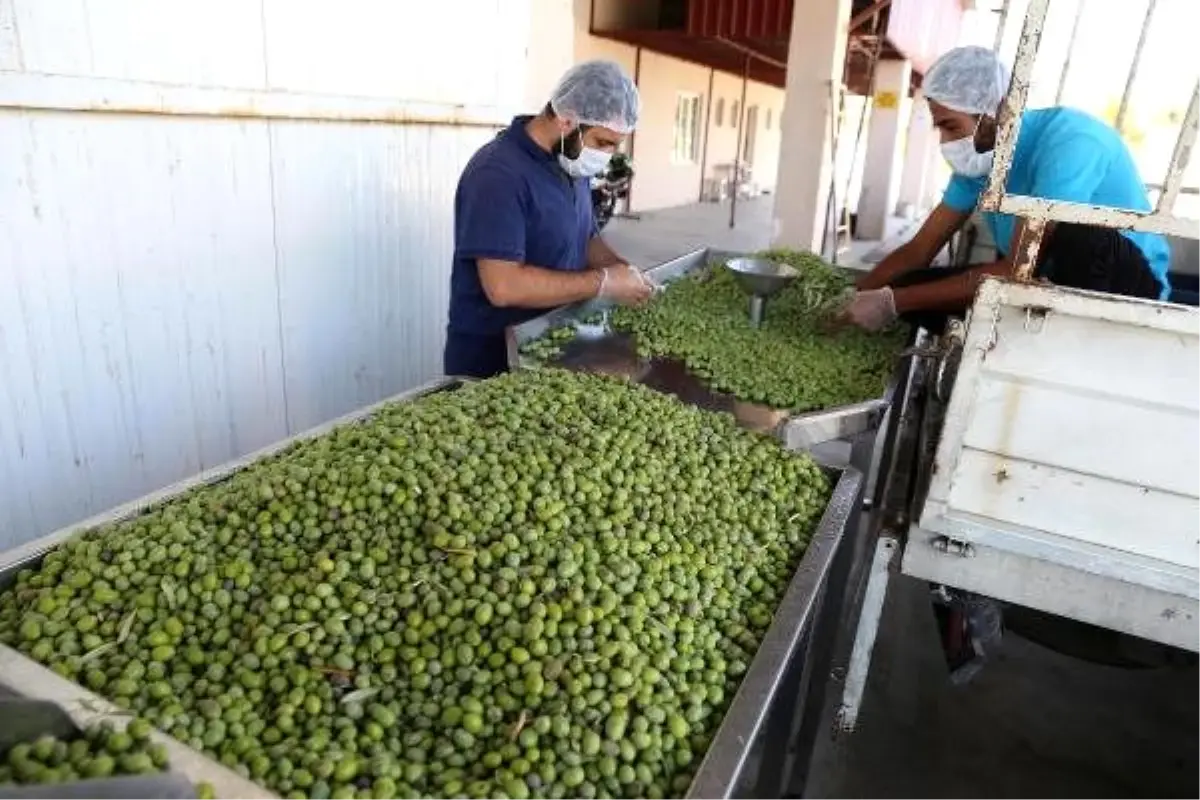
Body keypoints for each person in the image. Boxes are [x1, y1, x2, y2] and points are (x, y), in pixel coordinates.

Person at [842, 46, 1171, 333]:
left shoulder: (1069, 142)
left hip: (1123, 283)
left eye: (950, 125)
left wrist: (893, 302)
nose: (945, 141)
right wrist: (850, 301)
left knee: (1080, 239)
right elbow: (918, 250)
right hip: (1040, 275)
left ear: (995, 114)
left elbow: (1018, 267)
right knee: (910, 284)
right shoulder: (983, 159)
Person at [444, 60, 653, 378]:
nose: (606, 155)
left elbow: (585, 238)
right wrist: (603, 283)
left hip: (550, 344)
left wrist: (621, 269)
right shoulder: (498, 174)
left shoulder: (570, 162)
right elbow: (503, 286)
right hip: (493, 360)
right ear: (567, 121)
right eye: (602, 142)